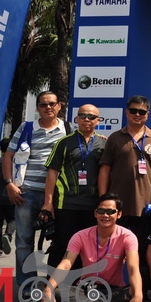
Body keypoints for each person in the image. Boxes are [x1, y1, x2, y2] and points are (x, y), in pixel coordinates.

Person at [98, 95, 151, 286]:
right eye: (134, 111)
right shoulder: (115, 138)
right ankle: (110, 288)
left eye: (142, 112)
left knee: (142, 250)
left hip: (145, 207)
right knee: (112, 249)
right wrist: (103, 198)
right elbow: (105, 168)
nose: (137, 114)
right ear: (127, 112)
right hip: (116, 207)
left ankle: (140, 291)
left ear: (148, 114)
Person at [2, 90, 68, 292]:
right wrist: (9, 184)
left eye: (52, 104)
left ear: (59, 106)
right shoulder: (26, 128)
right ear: (38, 108)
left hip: (57, 194)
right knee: (24, 241)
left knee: (60, 240)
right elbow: (8, 156)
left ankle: (55, 284)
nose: (48, 107)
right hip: (26, 192)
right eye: (43, 104)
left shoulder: (67, 129)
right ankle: (27, 286)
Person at [43, 193, 143, 302]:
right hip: (85, 290)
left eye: (110, 212)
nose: (105, 215)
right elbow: (66, 263)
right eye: (101, 211)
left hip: (113, 291)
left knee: (133, 292)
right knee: (58, 292)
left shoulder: (128, 237)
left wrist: (138, 297)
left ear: (119, 214)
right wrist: (48, 289)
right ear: (95, 213)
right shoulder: (80, 236)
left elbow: (133, 268)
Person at [41, 104, 107, 269]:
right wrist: (48, 202)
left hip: (92, 205)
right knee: (62, 244)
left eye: (91, 117)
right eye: (83, 115)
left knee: (87, 246)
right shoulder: (64, 142)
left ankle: (80, 282)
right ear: (77, 119)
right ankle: (54, 281)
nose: (87, 119)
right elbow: (52, 173)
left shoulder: (104, 144)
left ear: (98, 120)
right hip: (66, 204)